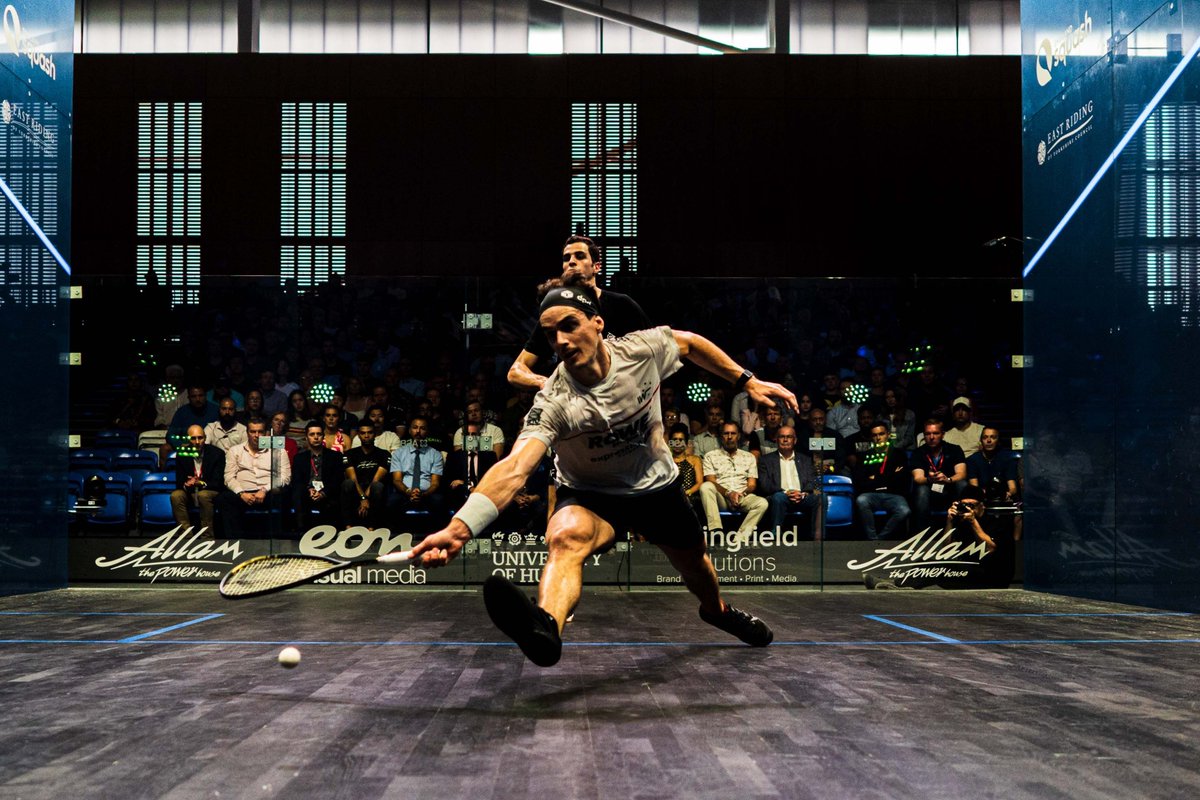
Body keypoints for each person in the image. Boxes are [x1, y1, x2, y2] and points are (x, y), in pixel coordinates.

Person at [404, 286, 793, 667]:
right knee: (564, 537)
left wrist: (747, 381)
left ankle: (718, 611)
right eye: (550, 333)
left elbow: (689, 343)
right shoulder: (554, 400)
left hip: (656, 488)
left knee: (695, 565)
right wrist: (459, 529)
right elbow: (515, 466)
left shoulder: (642, 350)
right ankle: (546, 629)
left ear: (597, 322)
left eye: (569, 325)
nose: (560, 339)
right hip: (592, 494)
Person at [506, 235, 651, 391]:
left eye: (580, 256)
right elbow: (516, 371)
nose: (571, 261)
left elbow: (652, 354)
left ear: (596, 267)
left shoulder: (623, 305)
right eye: (566, 258)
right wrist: (547, 384)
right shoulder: (554, 315)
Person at [215, 418, 292, 539]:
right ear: (247, 433)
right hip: (243, 493)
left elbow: (285, 477)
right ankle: (235, 542)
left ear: (266, 433)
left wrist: (264, 490)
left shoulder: (278, 450)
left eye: (260, 432)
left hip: (269, 493)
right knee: (224, 498)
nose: (256, 435)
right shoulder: (235, 450)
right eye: (252, 432)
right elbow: (229, 477)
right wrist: (241, 493)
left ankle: (278, 542)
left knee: (285, 496)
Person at [700, 423, 770, 537]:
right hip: (721, 497)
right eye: (726, 433)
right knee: (706, 486)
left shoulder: (749, 457)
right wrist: (729, 494)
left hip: (742, 496)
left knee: (762, 503)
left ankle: (741, 538)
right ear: (721, 436)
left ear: (738, 436)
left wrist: (740, 495)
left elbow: (752, 485)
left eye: (733, 433)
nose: (729, 436)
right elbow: (711, 481)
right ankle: (715, 530)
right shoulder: (710, 456)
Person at [755, 426, 820, 536]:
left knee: (821, 498)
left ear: (795, 440)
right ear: (776, 440)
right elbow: (765, 485)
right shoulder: (765, 460)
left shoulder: (805, 459)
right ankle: (775, 535)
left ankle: (818, 538)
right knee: (778, 497)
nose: (785, 440)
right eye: (782, 437)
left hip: (802, 496)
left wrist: (802, 494)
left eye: (789, 437)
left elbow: (811, 481)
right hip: (781, 497)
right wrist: (786, 492)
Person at [851, 422, 911, 540]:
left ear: (888, 435)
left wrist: (874, 478)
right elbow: (860, 481)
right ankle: (873, 539)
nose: (878, 438)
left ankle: (880, 539)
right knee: (861, 500)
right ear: (871, 438)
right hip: (871, 495)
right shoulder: (864, 456)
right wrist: (890, 476)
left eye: (881, 434)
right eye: (874, 435)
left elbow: (902, 480)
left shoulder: (899, 454)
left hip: (894, 494)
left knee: (905, 510)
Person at [387, 416, 446, 526]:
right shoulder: (399, 453)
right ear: (409, 430)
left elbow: (435, 483)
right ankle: (396, 536)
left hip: (427, 493)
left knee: (440, 501)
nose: (418, 431)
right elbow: (397, 480)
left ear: (427, 431)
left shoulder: (436, 454)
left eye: (422, 428)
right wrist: (409, 492)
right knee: (392, 501)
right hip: (405, 492)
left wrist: (423, 494)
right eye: (415, 428)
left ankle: (436, 539)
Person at [911, 419, 967, 532]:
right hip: (929, 491)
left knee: (962, 484)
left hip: (950, 489)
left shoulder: (954, 449)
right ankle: (923, 534)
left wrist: (948, 479)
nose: (931, 437)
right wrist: (930, 479)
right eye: (927, 434)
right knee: (921, 490)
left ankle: (963, 529)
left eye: (935, 433)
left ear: (942, 434)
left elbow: (962, 474)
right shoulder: (918, 452)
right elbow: (918, 478)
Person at [169, 425, 225, 536]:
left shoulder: (217, 454)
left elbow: (218, 482)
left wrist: (201, 483)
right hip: (190, 491)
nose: (197, 441)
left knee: (203, 495)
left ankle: (207, 535)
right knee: (176, 495)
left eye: (200, 438)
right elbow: (179, 482)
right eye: (193, 438)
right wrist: (186, 484)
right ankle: (186, 536)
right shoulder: (182, 454)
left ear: (205, 437)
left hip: (209, 490)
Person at [292, 420, 345, 532]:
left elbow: (337, 480)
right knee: (297, 491)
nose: (316, 437)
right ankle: (301, 531)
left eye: (319, 434)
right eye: (312, 434)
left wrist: (323, 493)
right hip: (307, 493)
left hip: (328, 492)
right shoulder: (299, 458)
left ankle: (334, 532)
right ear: (306, 438)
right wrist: (309, 489)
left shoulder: (335, 456)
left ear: (323, 437)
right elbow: (297, 480)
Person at [342, 421, 391, 529]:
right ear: (358, 435)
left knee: (377, 486)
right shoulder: (349, 454)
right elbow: (353, 479)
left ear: (375, 434)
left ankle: (371, 529)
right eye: (363, 433)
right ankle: (348, 528)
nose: (366, 436)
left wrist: (366, 498)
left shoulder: (384, 454)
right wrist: (362, 497)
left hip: (375, 493)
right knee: (347, 483)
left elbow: (376, 479)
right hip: (355, 492)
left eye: (370, 432)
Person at [443, 421, 499, 510]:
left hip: (483, 494)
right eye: (467, 435)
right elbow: (447, 481)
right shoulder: (454, 456)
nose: (470, 438)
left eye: (473, 434)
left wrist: (468, 485)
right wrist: (467, 487)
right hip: (461, 495)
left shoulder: (490, 456)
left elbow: (494, 481)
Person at [667, 423, 705, 514]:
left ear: (687, 443)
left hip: (690, 497)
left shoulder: (695, 460)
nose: (677, 443)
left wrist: (686, 493)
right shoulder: (666, 461)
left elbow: (699, 483)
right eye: (674, 440)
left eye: (681, 440)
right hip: (669, 498)